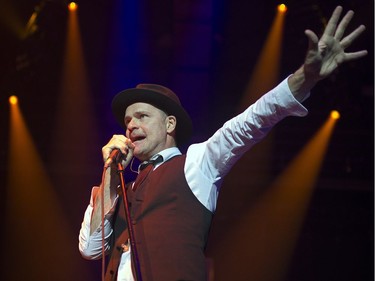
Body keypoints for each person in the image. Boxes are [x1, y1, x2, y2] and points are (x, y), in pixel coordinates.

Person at [79, 6, 367, 281]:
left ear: (169, 124)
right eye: (127, 120)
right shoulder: (119, 190)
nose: (131, 125)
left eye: (142, 116)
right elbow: (90, 249)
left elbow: (251, 122)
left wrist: (305, 78)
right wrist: (109, 176)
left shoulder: (196, 163)